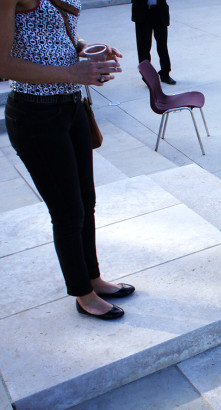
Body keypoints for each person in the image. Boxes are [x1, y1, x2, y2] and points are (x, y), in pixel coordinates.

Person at [0, 0, 135, 320]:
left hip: (71, 106)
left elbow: (51, 35)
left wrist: (87, 50)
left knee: (86, 201)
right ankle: (82, 294)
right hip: (36, 115)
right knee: (67, 211)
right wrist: (72, 71)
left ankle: (93, 278)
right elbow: (3, 65)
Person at [132, 0, 176, 84]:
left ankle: (165, 73)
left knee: (162, 45)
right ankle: (147, 77)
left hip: (159, 11)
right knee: (144, 47)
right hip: (142, 12)